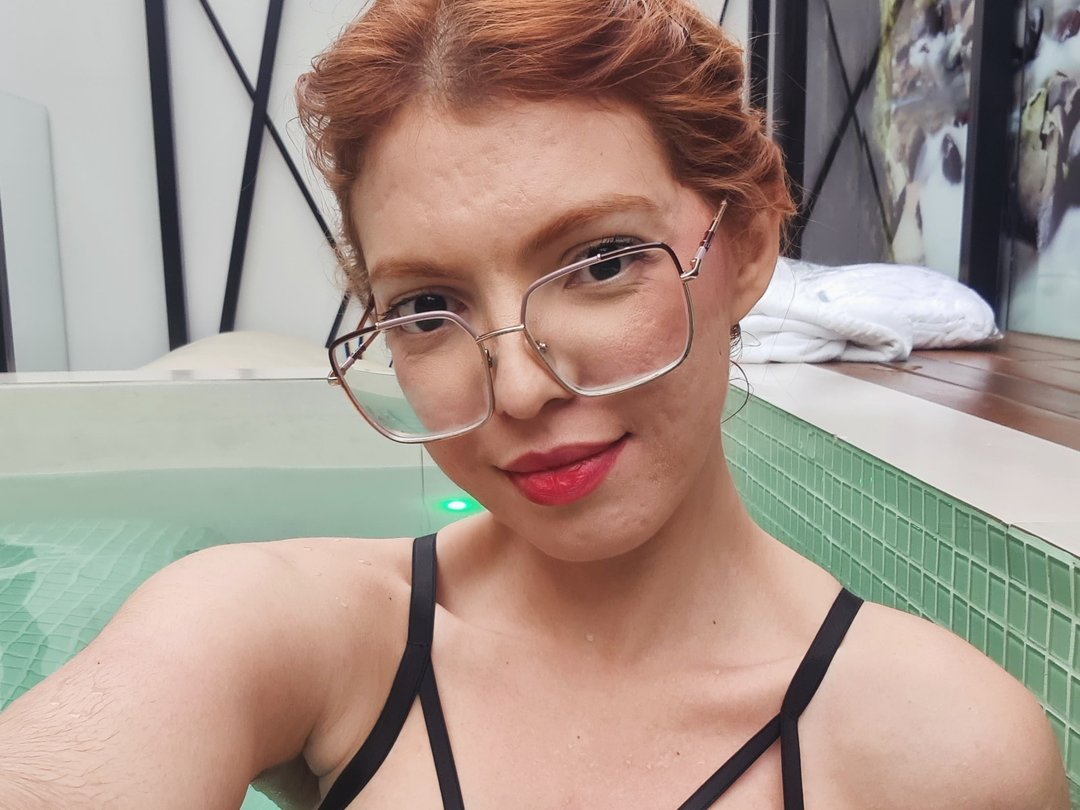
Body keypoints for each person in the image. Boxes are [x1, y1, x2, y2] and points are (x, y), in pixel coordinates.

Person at [0, 1, 1070, 807]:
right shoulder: (294, 629)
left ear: (745, 245)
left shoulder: (940, 752)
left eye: (601, 262)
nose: (516, 388)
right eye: (426, 306)